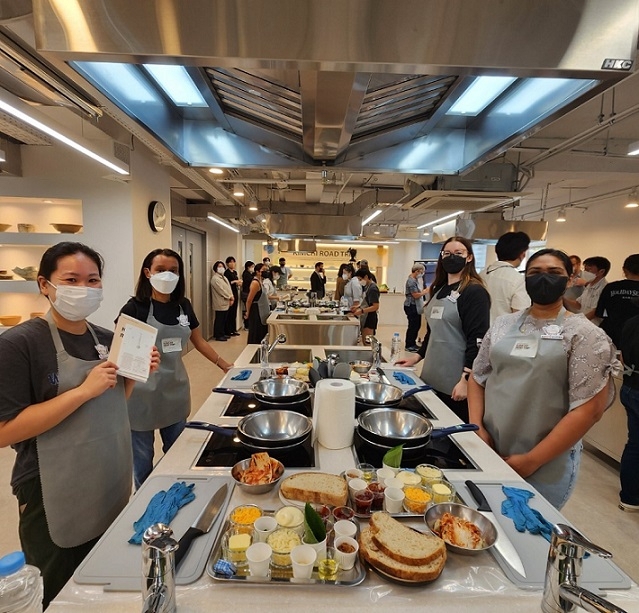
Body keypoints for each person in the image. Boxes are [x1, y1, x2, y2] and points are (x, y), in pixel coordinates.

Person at [0, 242, 159, 608]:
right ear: (44, 284)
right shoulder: (20, 344)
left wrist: (134, 374)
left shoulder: (106, 338)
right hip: (52, 489)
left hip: (107, 476)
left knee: (105, 577)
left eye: (93, 280)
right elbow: (6, 429)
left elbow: (113, 405)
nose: (84, 289)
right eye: (71, 280)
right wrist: (82, 392)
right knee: (60, 593)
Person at [468, 248, 620, 509]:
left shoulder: (584, 334)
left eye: (554, 273)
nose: (543, 279)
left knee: (528, 530)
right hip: (490, 445)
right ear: (525, 278)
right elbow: (478, 377)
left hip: (545, 460)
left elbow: (589, 410)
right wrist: (477, 429)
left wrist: (532, 460)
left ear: (569, 280)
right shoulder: (504, 324)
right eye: (535, 273)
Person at [118, 248, 232, 489]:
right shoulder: (135, 308)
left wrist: (224, 365)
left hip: (175, 390)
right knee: (142, 462)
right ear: (147, 272)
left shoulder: (183, 306)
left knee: (178, 454)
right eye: (161, 270)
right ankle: (145, 500)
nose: (168, 275)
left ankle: (174, 493)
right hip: (141, 395)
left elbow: (198, 340)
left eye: (173, 271)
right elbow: (119, 351)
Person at [397, 236, 490, 423]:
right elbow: (434, 331)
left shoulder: (473, 292)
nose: (452, 257)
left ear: (469, 257)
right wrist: (417, 356)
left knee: (451, 432)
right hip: (432, 374)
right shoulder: (439, 289)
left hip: (455, 382)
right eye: (447, 253)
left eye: (458, 253)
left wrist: (466, 380)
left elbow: (478, 340)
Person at [480, 231, 530, 323]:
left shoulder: (480, 275)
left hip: (478, 333)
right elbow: (520, 316)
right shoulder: (518, 280)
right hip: (504, 335)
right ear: (522, 254)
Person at [618, 314, 639, 512]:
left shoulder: (631, 322)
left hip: (630, 386)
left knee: (634, 444)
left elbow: (622, 356)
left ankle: (629, 497)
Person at [595, 254, 639, 347]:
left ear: (624, 270)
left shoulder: (611, 287)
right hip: (636, 337)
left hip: (612, 335)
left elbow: (600, 313)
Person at [563, 256, 610, 324]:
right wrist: (563, 299)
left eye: (589, 270)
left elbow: (595, 312)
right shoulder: (589, 286)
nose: (586, 272)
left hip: (594, 326)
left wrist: (579, 321)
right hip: (583, 322)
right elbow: (578, 304)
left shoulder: (605, 288)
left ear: (601, 271)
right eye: (585, 269)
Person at [404, 263, 428, 352]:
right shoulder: (411, 281)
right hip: (411, 306)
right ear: (417, 271)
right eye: (422, 272)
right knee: (413, 326)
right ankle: (409, 345)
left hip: (415, 306)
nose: (422, 274)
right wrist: (425, 292)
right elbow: (415, 295)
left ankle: (412, 343)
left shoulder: (415, 280)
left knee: (416, 325)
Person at [352, 268, 380, 340]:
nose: (359, 281)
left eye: (360, 279)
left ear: (366, 277)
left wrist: (361, 311)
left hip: (370, 318)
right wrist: (358, 307)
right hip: (365, 316)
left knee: (367, 342)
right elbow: (367, 302)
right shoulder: (367, 287)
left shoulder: (373, 289)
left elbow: (375, 306)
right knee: (364, 340)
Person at [244, 262, 269, 344]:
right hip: (256, 311)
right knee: (256, 331)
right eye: (263, 270)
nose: (265, 272)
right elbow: (249, 300)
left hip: (262, 310)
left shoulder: (261, 281)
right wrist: (247, 312)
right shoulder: (255, 283)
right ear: (258, 271)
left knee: (261, 332)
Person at [210, 260, 234, 341]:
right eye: (219, 266)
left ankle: (222, 333)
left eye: (222, 266)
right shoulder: (215, 279)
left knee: (224, 319)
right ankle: (218, 335)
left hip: (226, 301)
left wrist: (231, 296)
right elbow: (221, 290)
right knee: (219, 319)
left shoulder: (224, 277)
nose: (221, 268)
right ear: (215, 268)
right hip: (220, 302)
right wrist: (230, 297)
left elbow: (228, 288)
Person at [223, 256, 241, 337]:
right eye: (230, 262)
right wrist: (234, 281)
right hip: (230, 293)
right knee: (229, 313)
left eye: (233, 262)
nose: (232, 263)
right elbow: (227, 283)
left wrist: (239, 282)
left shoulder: (234, 272)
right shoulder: (226, 273)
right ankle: (228, 330)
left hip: (235, 292)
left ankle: (233, 330)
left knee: (234, 313)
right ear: (227, 264)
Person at [241, 260, 255, 330]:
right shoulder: (246, 274)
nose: (253, 268)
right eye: (252, 267)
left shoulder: (250, 274)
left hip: (247, 293)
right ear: (248, 267)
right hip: (246, 294)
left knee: (249, 309)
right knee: (248, 309)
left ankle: (248, 324)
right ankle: (247, 325)